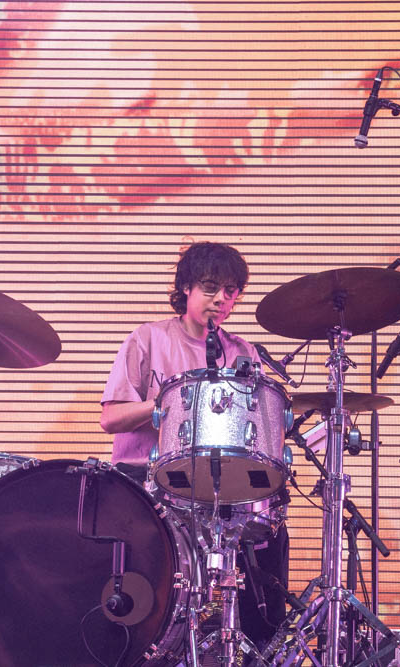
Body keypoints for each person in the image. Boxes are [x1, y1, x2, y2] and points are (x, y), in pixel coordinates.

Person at [100, 241, 289, 650]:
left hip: (217, 490)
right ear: (186, 287)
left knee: (271, 529)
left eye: (231, 291)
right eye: (210, 288)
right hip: (145, 483)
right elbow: (110, 418)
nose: (221, 299)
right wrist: (163, 405)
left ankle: (257, 649)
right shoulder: (148, 339)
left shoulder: (243, 352)